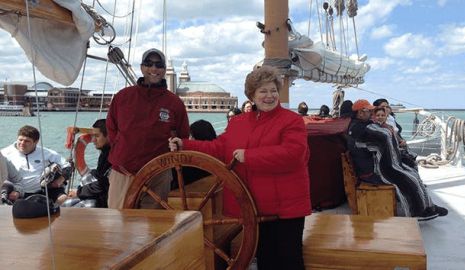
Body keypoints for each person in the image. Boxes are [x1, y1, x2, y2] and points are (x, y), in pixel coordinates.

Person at [169, 66, 311, 270]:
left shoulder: (292, 121)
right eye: (263, 91)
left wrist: (249, 156)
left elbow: (293, 155)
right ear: (252, 95)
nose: (269, 96)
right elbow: (218, 147)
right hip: (254, 205)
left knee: (289, 260)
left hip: (285, 208)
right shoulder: (238, 122)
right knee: (266, 260)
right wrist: (185, 144)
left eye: (273, 90)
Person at [106, 48, 189, 209]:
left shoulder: (174, 103)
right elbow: (111, 128)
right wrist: (123, 150)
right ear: (142, 67)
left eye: (159, 65)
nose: (154, 69)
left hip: (158, 173)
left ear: (164, 70)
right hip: (124, 171)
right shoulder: (122, 97)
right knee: (118, 223)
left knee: (153, 227)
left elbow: (183, 135)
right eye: (149, 64)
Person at [347, 99, 447, 221]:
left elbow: (381, 138)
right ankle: (417, 211)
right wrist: (388, 131)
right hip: (372, 171)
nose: (372, 112)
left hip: (376, 165)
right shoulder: (358, 128)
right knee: (408, 179)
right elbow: (382, 138)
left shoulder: (363, 125)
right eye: (370, 110)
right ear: (360, 112)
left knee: (413, 173)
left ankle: (428, 205)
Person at [1, 125, 71, 205]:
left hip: (43, 190)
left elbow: (68, 167)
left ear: (36, 142)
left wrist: (60, 181)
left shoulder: (47, 153)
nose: (22, 143)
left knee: (64, 199)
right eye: (20, 140)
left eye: (27, 141)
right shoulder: (4, 154)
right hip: (15, 192)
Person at [69, 119, 111, 208]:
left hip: (107, 200)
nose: (94, 140)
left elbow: (103, 185)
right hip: (102, 193)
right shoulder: (105, 152)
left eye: (97, 136)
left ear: (108, 136)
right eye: (93, 136)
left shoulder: (112, 157)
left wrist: (78, 192)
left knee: (69, 207)